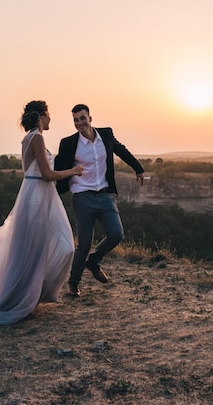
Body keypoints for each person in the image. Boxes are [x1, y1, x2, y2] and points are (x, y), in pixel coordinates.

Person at [0, 100, 84, 324]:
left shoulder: (30, 138)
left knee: (47, 247)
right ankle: (23, 296)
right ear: (41, 116)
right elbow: (46, 174)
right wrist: (73, 171)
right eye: (49, 114)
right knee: (45, 248)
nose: (51, 119)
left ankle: (36, 293)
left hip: (39, 196)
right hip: (36, 197)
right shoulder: (37, 137)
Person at [55, 103, 145, 297]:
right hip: (82, 196)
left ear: (90, 118)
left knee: (116, 234)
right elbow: (58, 167)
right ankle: (73, 284)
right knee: (84, 243)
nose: (79, 122)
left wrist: (138, 168)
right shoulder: (69, 143)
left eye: (82, 118)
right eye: (75, 120)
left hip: (105, 195)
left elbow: (121, 150)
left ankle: (93, 261)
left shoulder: (105, 134)